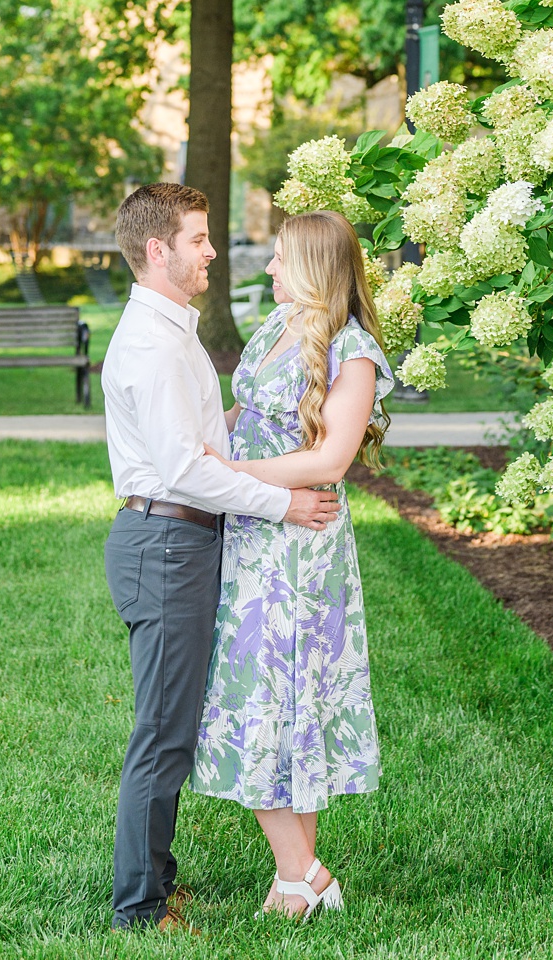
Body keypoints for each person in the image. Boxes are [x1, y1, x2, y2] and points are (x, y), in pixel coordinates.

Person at [101, 182, 340, 933]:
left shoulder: (172, 333)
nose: (213, 251)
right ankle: (139, 909)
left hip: (179, 540)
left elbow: (207, 434)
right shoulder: (153, 344)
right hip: (166, 541)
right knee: (163, 733)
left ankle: (158, 882)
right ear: (157, 250)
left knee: (171, 724)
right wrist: (287, 501)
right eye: (200, 239)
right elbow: (185, 469)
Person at [190, 209, 394, 920]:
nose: (269, 269)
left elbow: (332, 460)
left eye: (280, 258)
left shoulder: (354, 352)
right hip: (253, 535)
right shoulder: (277, 330)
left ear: (312, 266)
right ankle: (298, 879)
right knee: (268, 704)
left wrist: (234, 470)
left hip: (301, 554)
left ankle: (305, 877)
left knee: (277, 701)